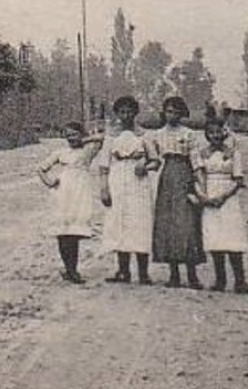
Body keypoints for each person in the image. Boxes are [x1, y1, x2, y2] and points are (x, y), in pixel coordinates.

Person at [145, 96, 206, 289]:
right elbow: (150, 157)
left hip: (184, 175)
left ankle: (192, 275)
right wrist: (142, 164)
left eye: (176, 112)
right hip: (167, 178)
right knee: (169, 224)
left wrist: (200, 186)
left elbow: (196, 161)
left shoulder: (189, 134)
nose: (172, 115)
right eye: (169, 111)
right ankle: (174, 274)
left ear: (182, 114)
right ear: (164, 112)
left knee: (187, 224)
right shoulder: (157, 134)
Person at [94, 95, 155, 284]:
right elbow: (104, 165)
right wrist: (104, 189)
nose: (126, 115)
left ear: (135, 112)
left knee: (139, 223)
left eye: (130, 111)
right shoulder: (111, 136)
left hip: (138, 182)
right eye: (122, 112)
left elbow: (156, 160)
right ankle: (123, 270)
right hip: (117, 180)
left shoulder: (144, 135)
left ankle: (143, 273)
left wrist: (145, 164)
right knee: (119, 222)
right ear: (117, 113)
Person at [36, 121, 101, 284]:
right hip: (63, 192)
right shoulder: (61, 152)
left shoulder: (88, 151)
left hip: (80, 192)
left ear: (82, 134)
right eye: (68, 135)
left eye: (74, 134)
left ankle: (72, 268)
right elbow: (41, 168)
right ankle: (70, 269)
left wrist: (83, 140)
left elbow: (101, 138)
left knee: (75, 232)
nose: (71, 138)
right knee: (63, 232)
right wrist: (49, 182)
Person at [197, 119, 248, 294]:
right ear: (207, 134)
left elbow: (238, 180)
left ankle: (240, 281)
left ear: (224, 133)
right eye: (211, 132)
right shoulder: (202, 154)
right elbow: (198, 177)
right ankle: (220, 280)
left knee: (233, 237)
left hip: (228, 198)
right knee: (215, 238)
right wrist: (205, 197)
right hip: (210, 196)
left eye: (218, 132)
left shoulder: (233, 154)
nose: (215, 136)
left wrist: (223, 196)